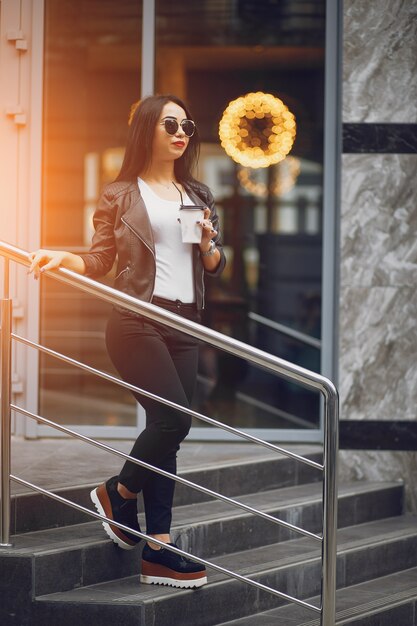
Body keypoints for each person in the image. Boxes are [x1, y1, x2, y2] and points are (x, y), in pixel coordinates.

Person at [28, 94, 226, 589]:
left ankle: (158, 548)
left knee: (169, 431)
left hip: (186, 325)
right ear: (146, 130)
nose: (182, 132)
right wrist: (65, 258)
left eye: (187, 124)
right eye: (170, 124)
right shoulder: (120, 194)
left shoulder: (197, 193)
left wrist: (207, 246)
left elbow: (215, 265)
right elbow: (99, 260)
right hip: (137, 319)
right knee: (174, 418)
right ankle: (118, 493)